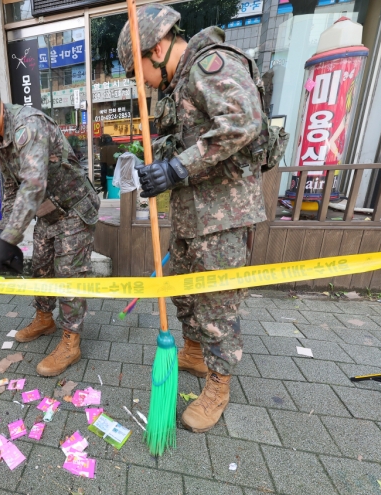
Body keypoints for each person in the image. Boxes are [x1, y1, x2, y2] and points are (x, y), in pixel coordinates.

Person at [117, 4, 267, 432]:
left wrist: (176, 168)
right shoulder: (179, 84)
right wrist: (154, 163)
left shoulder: (210, 65)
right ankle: (195, 355)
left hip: (222, 217)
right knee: (185, 294)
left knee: (218, 307)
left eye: (138, 70)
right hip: (190, 216)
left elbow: (243, 122)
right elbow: (185, 138)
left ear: (159, 47)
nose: (139, 81)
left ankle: (219, 386)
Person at [0, 68, 100, 377]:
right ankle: (44, 318)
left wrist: (8, 240)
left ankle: (71, 340)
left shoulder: (28, 127)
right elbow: (13, 190)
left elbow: (33, 185)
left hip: (73, 209)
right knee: (40, 265)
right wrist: (3, 231)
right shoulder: (0, 138)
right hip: (46, 212)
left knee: (68, 275)